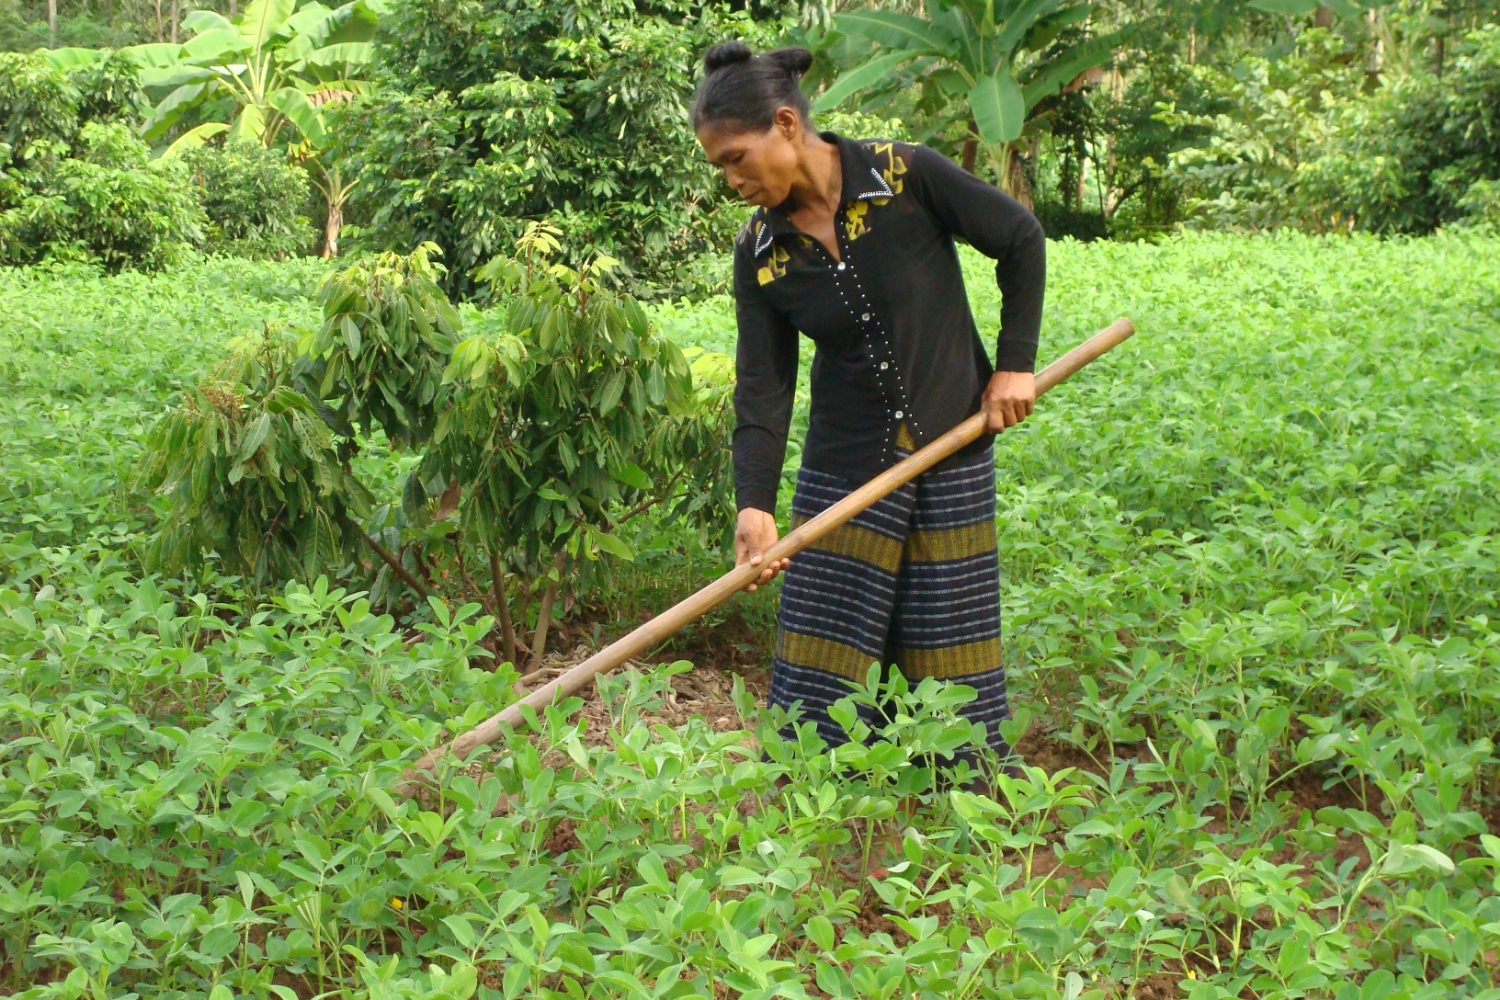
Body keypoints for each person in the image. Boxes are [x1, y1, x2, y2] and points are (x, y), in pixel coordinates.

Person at [691, 41, 1046, 780]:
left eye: (734, 157)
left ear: (786, 124)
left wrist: (1014, 363)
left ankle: (961, 798)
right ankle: (822, 805)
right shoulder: (760, 252)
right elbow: (763, 385)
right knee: (823, 659)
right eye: (719, 166)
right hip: (845, 470)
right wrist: (754, 505)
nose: (730, 179)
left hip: (953, 445)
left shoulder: (904, 174)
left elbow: (1019, 238)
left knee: (951, 645)